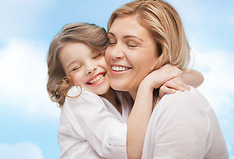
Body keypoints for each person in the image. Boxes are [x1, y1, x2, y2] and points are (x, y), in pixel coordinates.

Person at [47, 22, 201, 159]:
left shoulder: (120, 91)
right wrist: (147, 85)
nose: (90, 68)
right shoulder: (78, 97)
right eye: (76, 68)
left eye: (97, 55)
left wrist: (158, 75)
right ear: (65, 80)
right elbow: (127, 151)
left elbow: (197, 78)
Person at [105, 0, 229, 159]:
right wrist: (147, 85)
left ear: (162, 52)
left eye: (131, 44)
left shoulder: (178, 103)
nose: (114, 53)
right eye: (111, 41)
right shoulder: (121, 101)